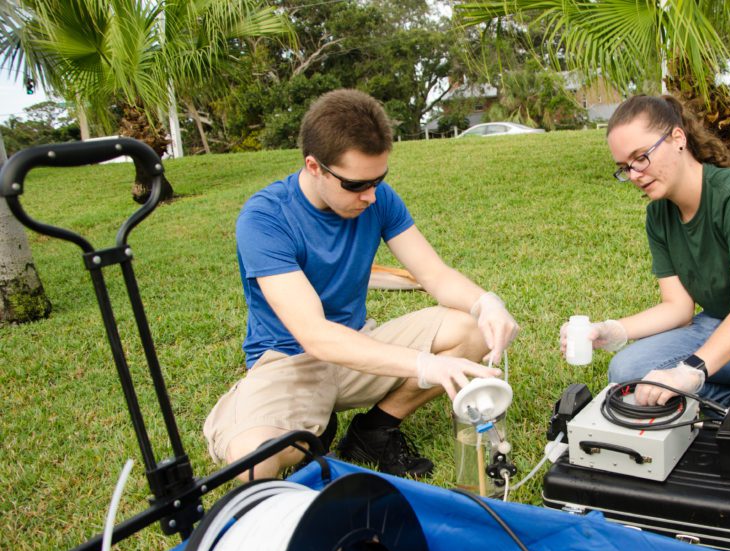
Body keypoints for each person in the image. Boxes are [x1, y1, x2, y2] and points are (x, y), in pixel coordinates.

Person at [204, 89, 519, 479]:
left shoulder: (377, 198)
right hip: (290, 362)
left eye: (378, 180)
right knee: (250, 465)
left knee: (473, 329)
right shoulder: (265, 218)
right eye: (356, 185)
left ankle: (374, 431)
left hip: (361, 348)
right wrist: (425, 364)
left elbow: (434, 276)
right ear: (314, 166)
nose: (370, 196)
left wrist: (486, 302)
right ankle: (308, 428)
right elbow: (316, 336)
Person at [563, 94, 730, 429]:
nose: (634, 174)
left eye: (641, 158)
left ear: (678, 138)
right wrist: (610, 331)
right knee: (625, 371)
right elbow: (678, 308)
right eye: (625, 167)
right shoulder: (659, 215)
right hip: (720, 328)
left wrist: (690, 369)